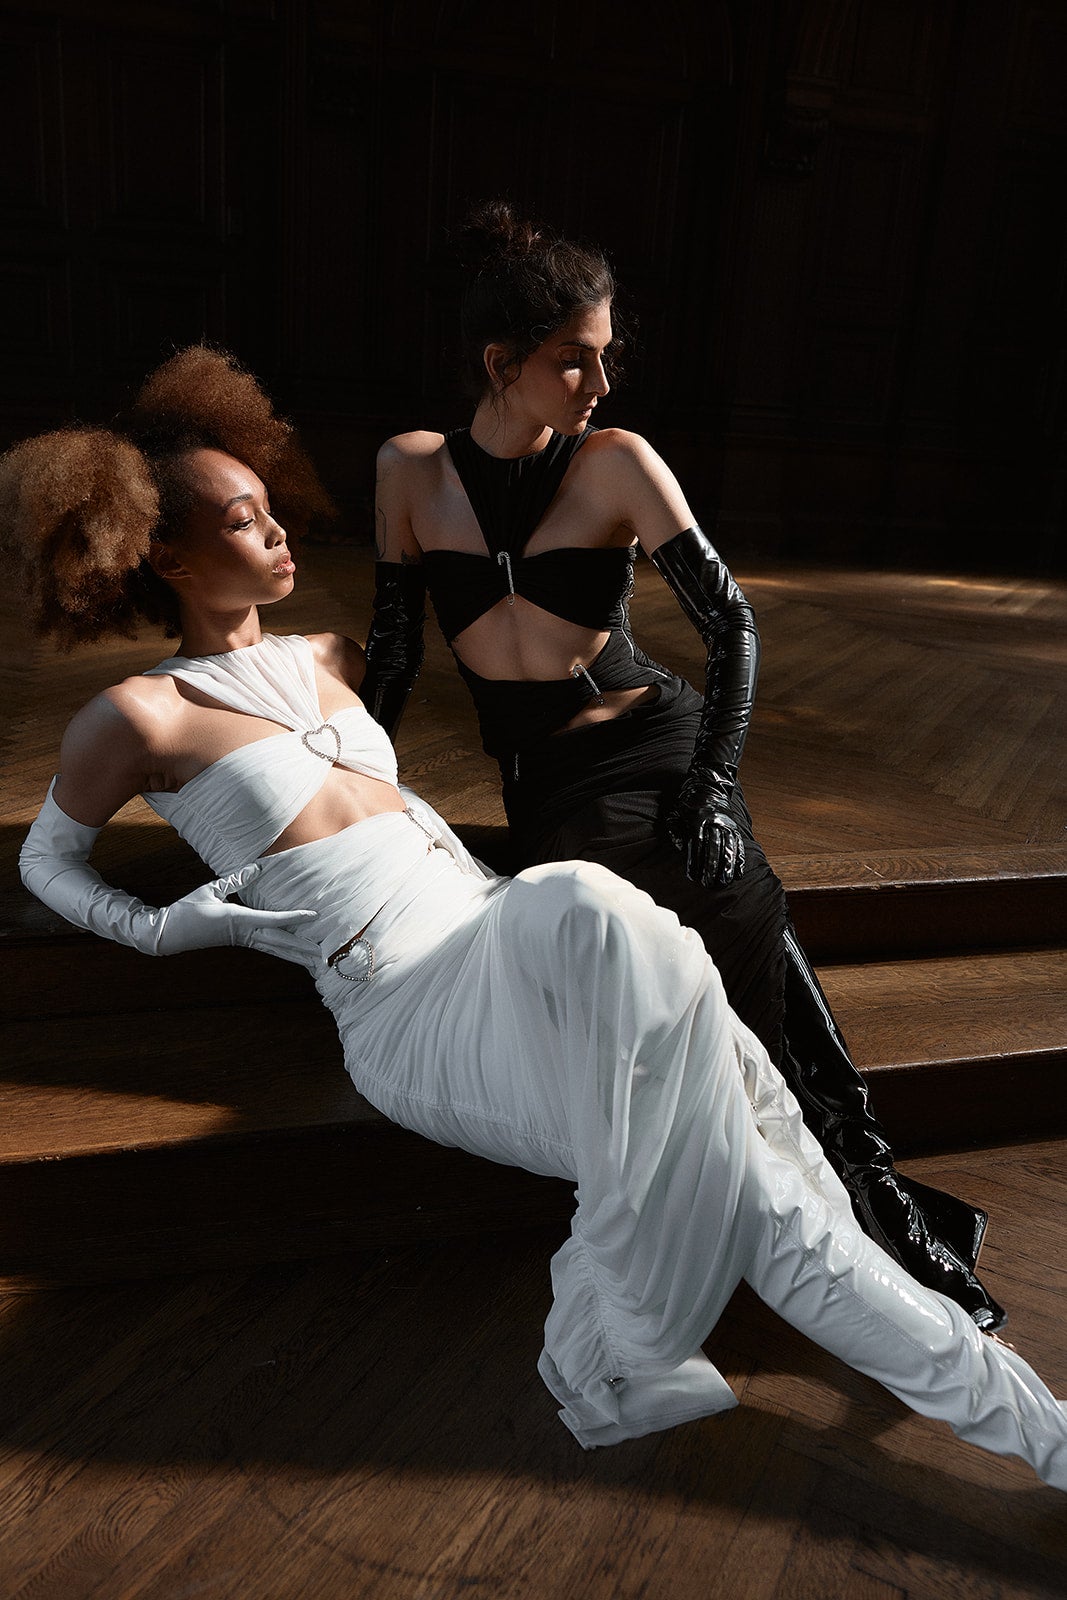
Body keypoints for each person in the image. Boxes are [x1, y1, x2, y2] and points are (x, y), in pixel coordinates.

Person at [7, 346, 1066, 1490]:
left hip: (506, 927)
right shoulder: (138, 715)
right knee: (745, 1163)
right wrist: (167, 930)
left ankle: (990, 1422)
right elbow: (47, 860)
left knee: (597, 915)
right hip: (407, 1005)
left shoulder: (331, 657)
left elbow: (512, 672)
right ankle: (1008, 1428)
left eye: (273, 512)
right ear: (165, 552)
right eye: (245, 520)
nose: (280, 535)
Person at [364, 201, 1002, 1329]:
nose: (600, 386)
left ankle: (875, 1194)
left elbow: (733, 628)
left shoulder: (617, 462)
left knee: (728, 891)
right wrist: (359, 784)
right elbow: (397, 650)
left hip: (653, 739)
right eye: (575, 362)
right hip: (547, 786)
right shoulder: (410, 472)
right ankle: (789, 1197)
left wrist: (710, 785)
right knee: (626, 948)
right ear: (500, 363)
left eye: (607, 358)